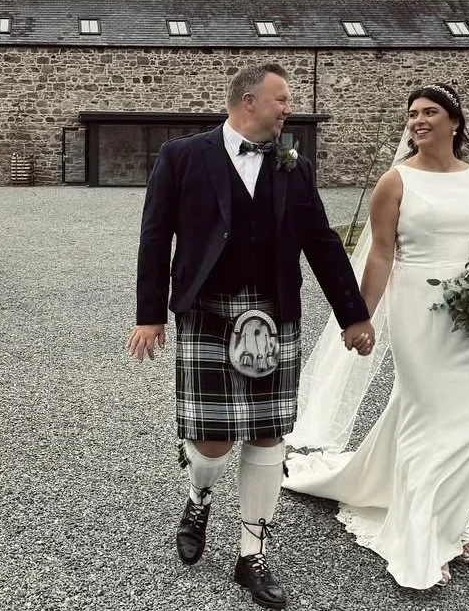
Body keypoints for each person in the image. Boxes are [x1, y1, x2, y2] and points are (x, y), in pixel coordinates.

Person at [127, 63, 376, 609]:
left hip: (274, 314)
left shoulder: (295, 167)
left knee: (268, 438)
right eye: (280, 99)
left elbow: (322, 242)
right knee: (212, 443)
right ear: (248, 101)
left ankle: (250, 554)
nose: (288, 107)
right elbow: (154, 238)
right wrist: (151, 315)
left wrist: (353, 314)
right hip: (208, 315)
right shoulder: (182, 157)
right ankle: (199, 493)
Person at [282, 82, 469, 590]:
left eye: (430, 112)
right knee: (430, 421)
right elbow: (381, 253)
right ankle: (425, 534)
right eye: (412, 114)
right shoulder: (395, 181)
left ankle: (448, 518)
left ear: (454, 121)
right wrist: (359, 317)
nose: (418, 121)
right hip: (420, 313)